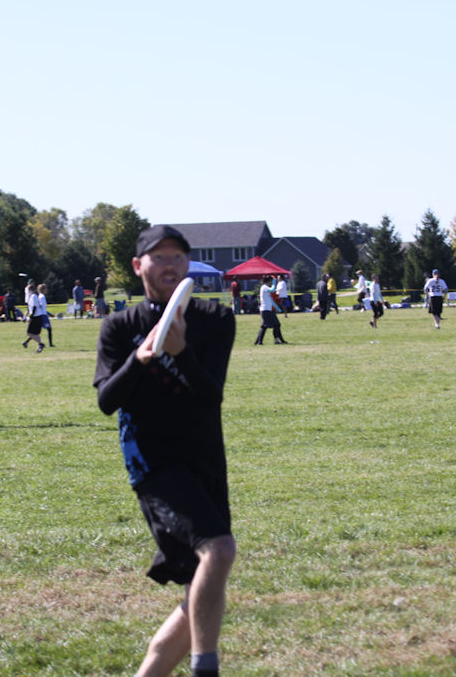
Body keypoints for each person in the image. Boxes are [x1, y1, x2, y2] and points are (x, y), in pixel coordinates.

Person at [94, 224, 236, 677]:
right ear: (138, 266)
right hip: (152, 462)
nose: (170, 265)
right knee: (219, 550)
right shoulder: (119, 326)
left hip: (204, 459)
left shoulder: (215, 319)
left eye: (178, 256)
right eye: (159, 257)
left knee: (200, 584)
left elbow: (210, 395)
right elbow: (107, 400)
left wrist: (181, 352)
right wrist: (142, 357)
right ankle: (205, 669)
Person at [256, 274, 287, 345]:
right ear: (268, 281)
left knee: (275, 325)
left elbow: (271, 301)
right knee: (265, 326)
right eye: (271, 281)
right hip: (265, 310)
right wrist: (274, 283)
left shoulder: (266, 288)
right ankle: (259, 342)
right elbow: (272, 289)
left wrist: (277, 308)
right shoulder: (264, 287)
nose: (271, 283)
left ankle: (259, 342)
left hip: (268, 310)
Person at [23, 282, 48, 353]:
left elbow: (34, 307)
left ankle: (40, 344)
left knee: (29, 333)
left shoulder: (33, 296)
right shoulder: (32, 296)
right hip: (36, 316)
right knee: (35, 333)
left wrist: (31, 316)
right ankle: (39, 346)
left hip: (36, 317)